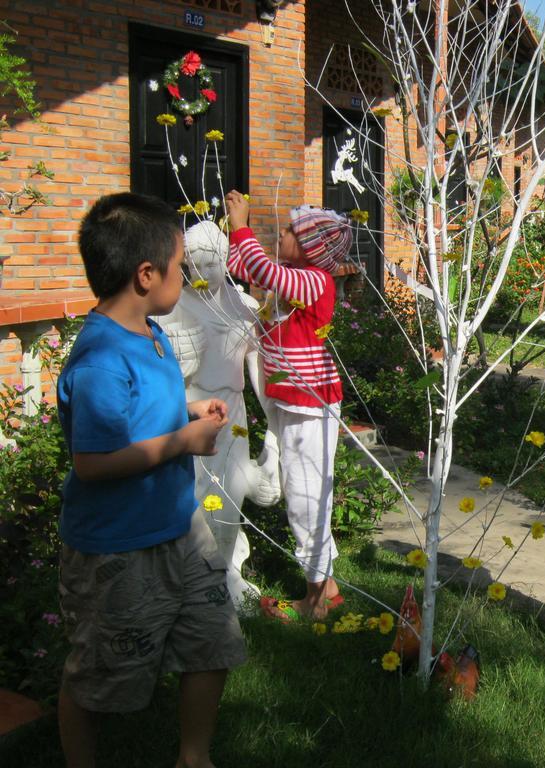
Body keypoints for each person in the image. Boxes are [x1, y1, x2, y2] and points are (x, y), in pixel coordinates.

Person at [56, 193, 247, 768]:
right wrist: (180, 444)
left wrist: (189, 410)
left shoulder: (151, 334)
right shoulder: (99, 360)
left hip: (178, 529)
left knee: (213, 638)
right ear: (146, 274)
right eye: (180, 262)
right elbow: (93, 462)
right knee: (98, 676)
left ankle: (194, 756)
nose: (186, 274)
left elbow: (150, 407)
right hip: (119, 549)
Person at [224, 189, 352, 621]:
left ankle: (315, 601)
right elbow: (242, 265)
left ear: (310, 247)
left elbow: (259, 266)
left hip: (310, 404)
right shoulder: (295, 275)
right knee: (304, 489)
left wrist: (242, 223)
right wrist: (228, 233)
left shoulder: (314, 281)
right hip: (293, 401)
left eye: (287, 231)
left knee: (306, 494)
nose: (279, 234)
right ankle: (327, 590)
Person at [159, 220, 282, 611]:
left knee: (229, 498)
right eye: (192, 264)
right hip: (192, 412)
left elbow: (260, 376)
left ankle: (228, 571)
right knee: (193, 498)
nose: (200, 272)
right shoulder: (173, 308)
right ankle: (193, 576)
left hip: (234, 414)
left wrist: (275, 434)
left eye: (209, 263)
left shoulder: (243, 307)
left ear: (226, 259)